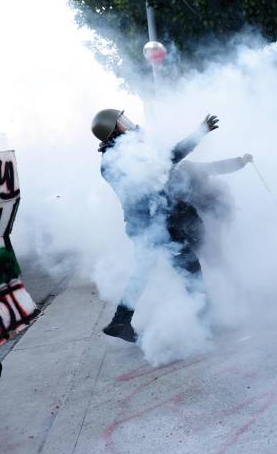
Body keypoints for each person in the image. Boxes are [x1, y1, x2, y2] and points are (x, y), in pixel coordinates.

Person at [91, 109, 221, 342]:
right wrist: (199, 133)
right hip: (155, 225)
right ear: (111, 132)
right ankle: (206, 322)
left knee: (143, 272)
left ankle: (120, 321)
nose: (129, 125)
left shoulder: (121, 154)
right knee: (190, 268)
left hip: (147, 225)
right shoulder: (119, 159)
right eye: (122, 123)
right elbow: (169, 159)